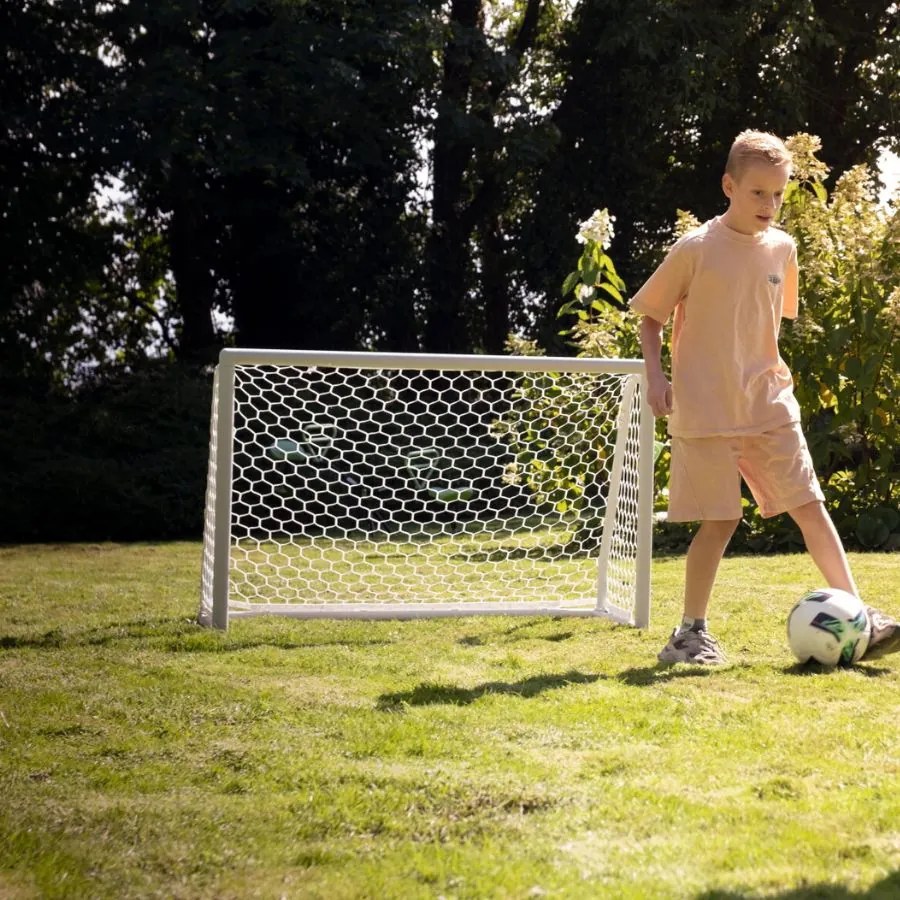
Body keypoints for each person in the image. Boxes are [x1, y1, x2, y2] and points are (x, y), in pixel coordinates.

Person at [629, 129, 900, 665]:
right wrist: (657, 378)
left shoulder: (783, 247)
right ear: (729, 185)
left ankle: (862, 615)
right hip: (706, 411)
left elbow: (766, 322)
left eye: (778, 194)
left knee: (811, 507)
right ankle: (689, 634)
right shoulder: (695, 249)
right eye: (758, 193)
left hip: (769, 405)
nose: (769, 205)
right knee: (722, 522)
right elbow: (650, 318)